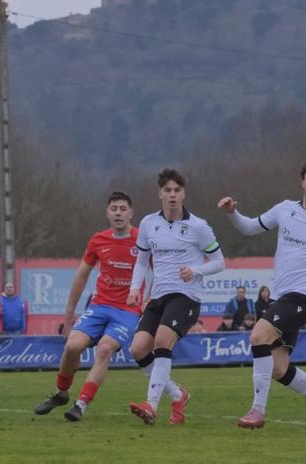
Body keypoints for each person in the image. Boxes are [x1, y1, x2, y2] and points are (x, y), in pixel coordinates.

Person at [218, 155, 306, 431]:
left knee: (258, 335)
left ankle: (257, 411)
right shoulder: (285, 210)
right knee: (278, 368)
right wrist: (232, 213)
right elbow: (249, 228)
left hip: (304, 299)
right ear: (302, 182)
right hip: (279, 297)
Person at [126, 168, 226, 426]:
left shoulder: (198, 226)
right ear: (160, 193)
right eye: (167, 190)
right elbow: (141, 260)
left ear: (184, 195)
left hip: (186, 296)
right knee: (137, 349)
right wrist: (135, 288)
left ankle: (151, 404)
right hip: (158, 297)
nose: (172, 195)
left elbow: (219, 262)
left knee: (161, 341)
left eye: (177, 191)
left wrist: (195, 270)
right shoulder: (149, 224)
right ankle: (178, 395)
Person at [32, 191, 142, 422]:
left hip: (127, 311)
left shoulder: (143, 241)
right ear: (107, 213)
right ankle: (61, 393)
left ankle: (80, 405)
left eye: (123, 208)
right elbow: (82, 275)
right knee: (72, 347)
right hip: (100, 306)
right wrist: (69, 312)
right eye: (114, 208)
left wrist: (148, 301)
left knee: (104, 349)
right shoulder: (98, 240)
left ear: (131, 213)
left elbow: (158, 273)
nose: (118, 213)